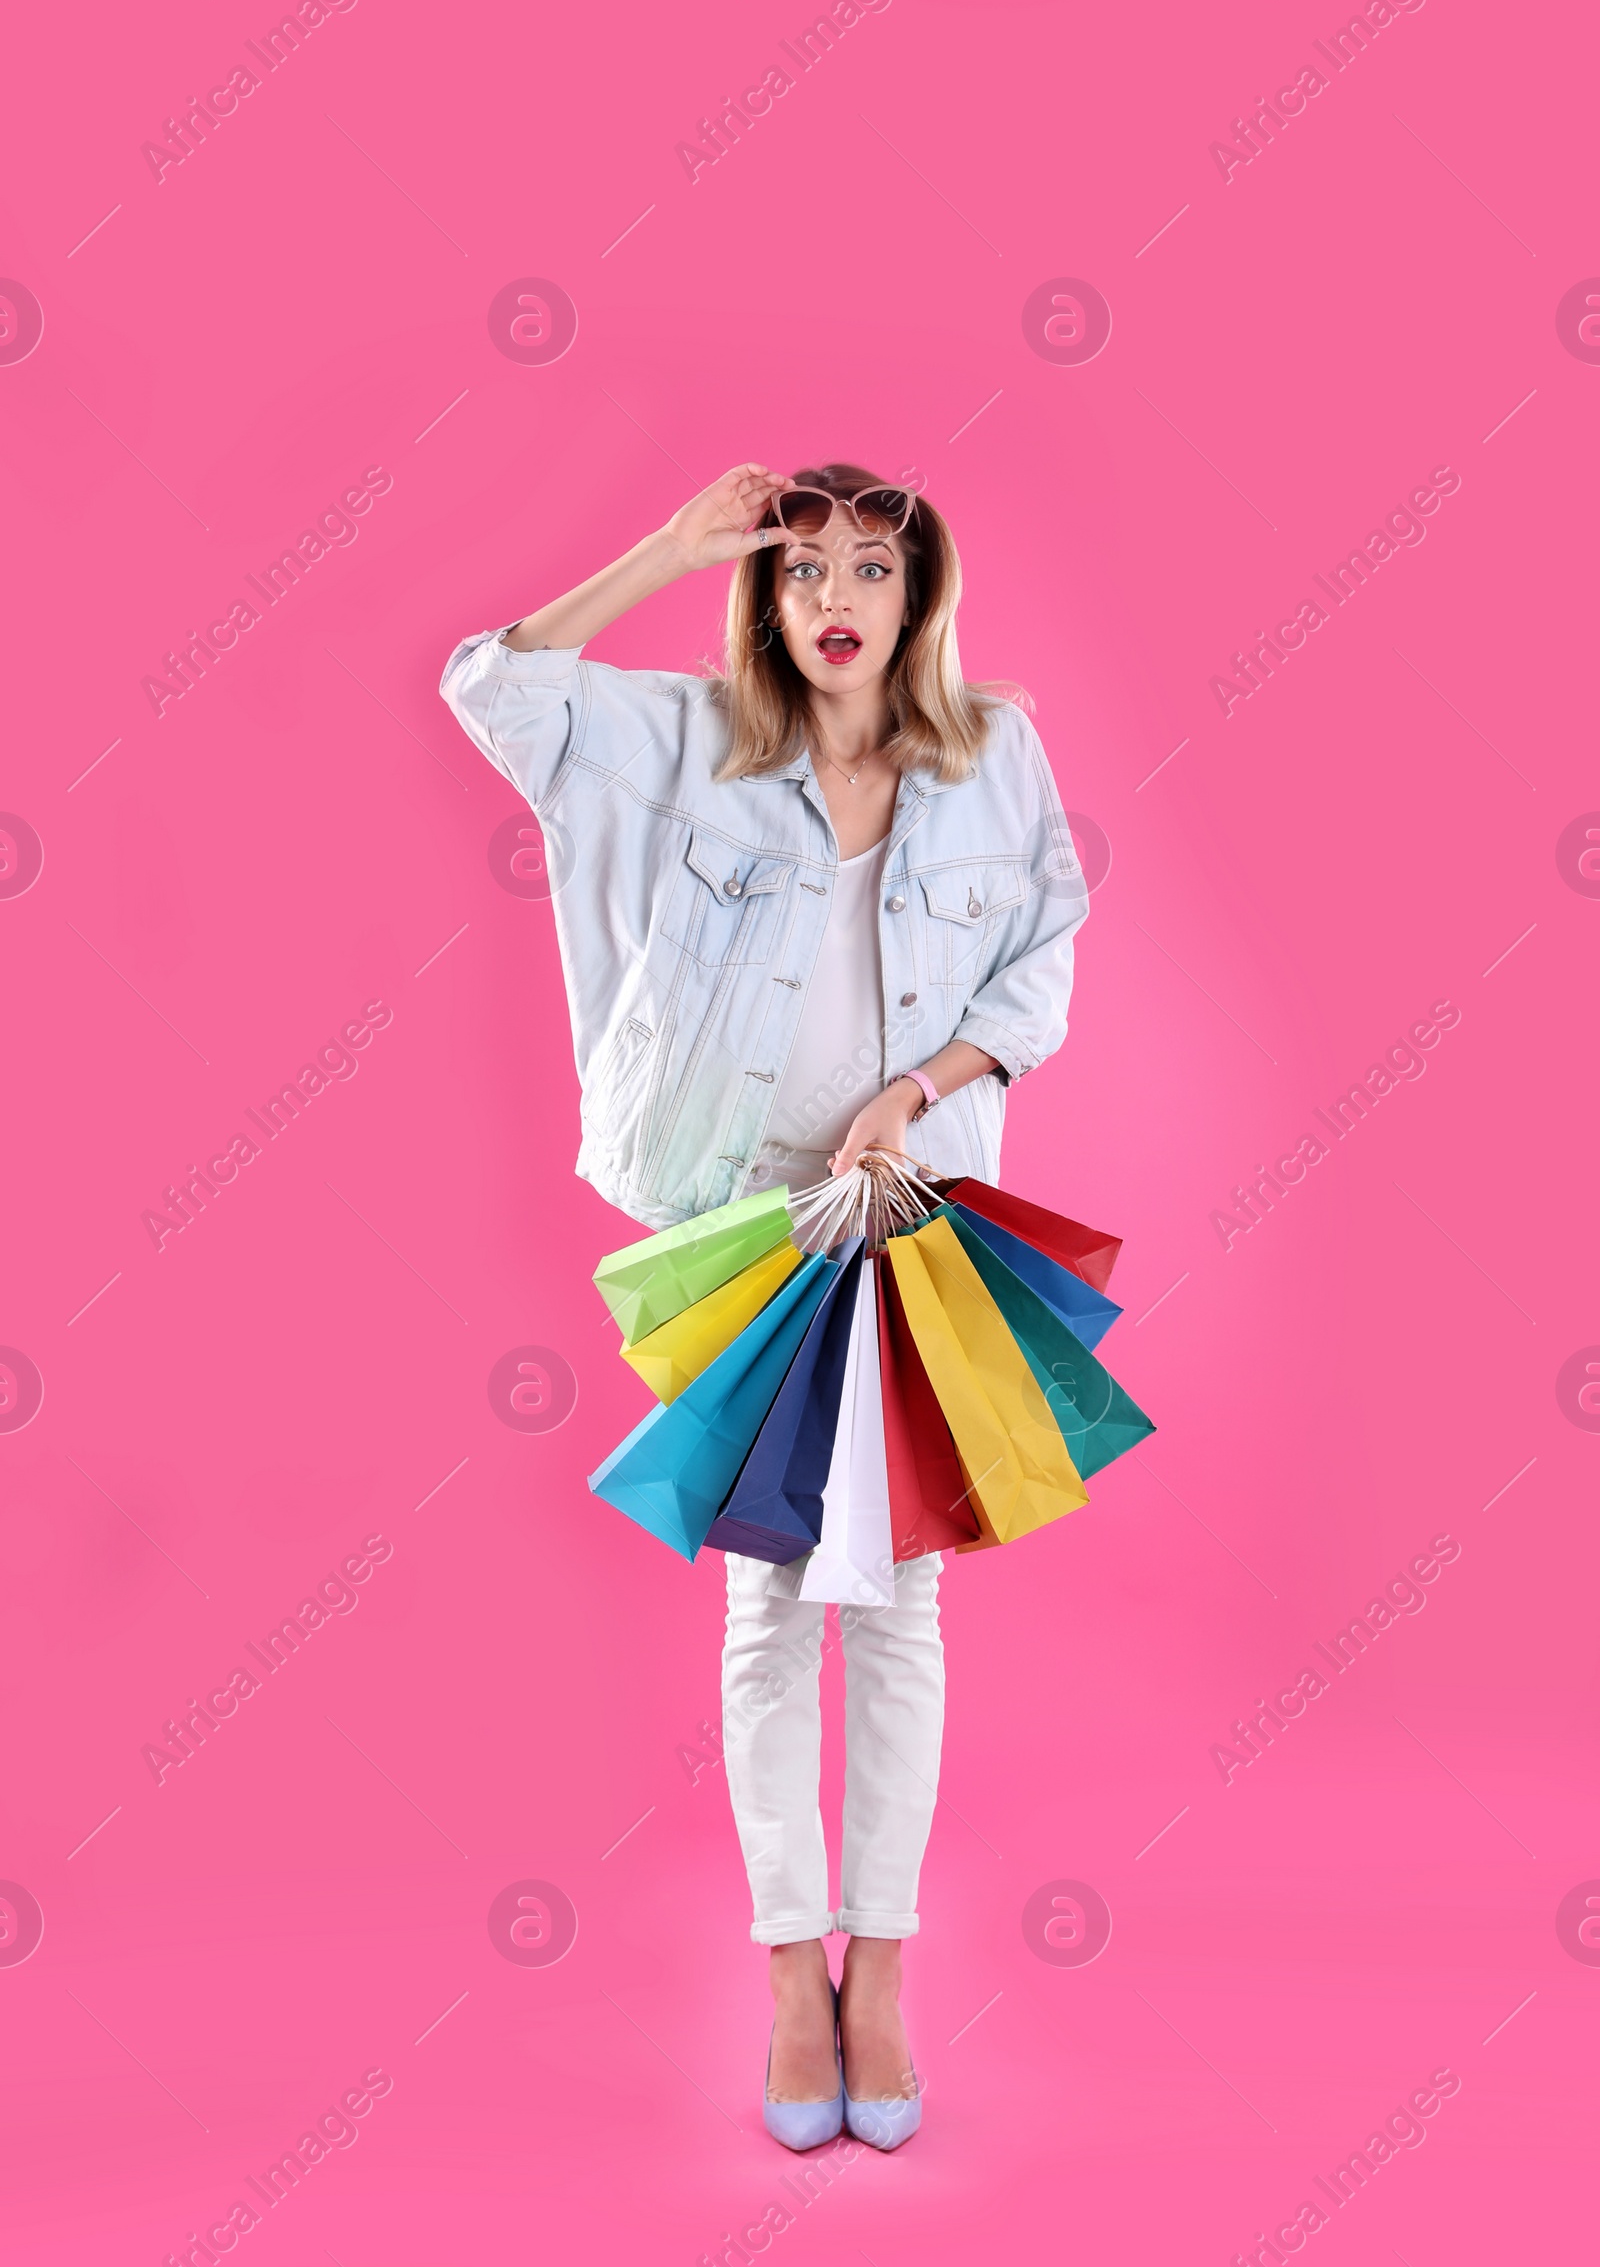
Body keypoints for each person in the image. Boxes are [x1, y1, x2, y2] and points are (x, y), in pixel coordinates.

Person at [439, 462, 1088, 2150]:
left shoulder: (991, 751)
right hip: (742, 1230)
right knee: (767, 1605)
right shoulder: (685, 747)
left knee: (901, 1611)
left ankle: (884, 1974)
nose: (835, 597)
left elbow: (1045, 954)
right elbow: (492, 689)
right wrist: (666, 545)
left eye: (870, 566)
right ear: (767, 599)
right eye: (805, 572)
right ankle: (791, 1977)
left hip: (916, 1216)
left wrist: (923, 1094)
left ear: (917, 592)